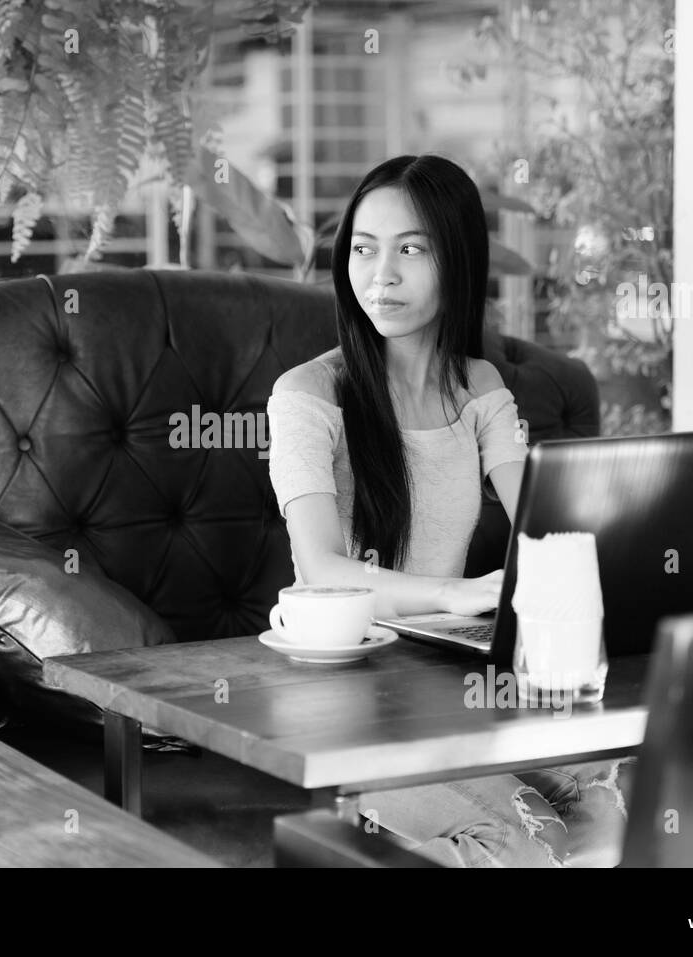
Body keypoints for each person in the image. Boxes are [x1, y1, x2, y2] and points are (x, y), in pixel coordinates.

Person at [265, 153, 629, 867]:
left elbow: (543, 526)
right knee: (528, 838)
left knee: (612, 808)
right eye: (365, 250)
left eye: (411, 249)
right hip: (345, 689)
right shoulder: (308, 392)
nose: (382, 275)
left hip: (449, 680)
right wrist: (455, 593)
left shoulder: (479, 386)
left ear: (456, 260)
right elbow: (320, 568)